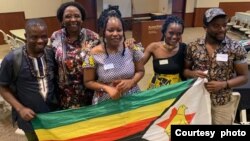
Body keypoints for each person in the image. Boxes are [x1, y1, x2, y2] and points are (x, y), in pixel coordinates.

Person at [183, 8, 248, 124]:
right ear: (205, 27)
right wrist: (192, 73)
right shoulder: (193, 46)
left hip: (222, 102)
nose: (222, 29)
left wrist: (224, 84)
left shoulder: (235, 48)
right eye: (216, 26)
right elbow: (185, 71)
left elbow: (244, 77)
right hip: (198, 100)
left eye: (224, 25)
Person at [0, 19, 58, 141]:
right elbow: (2, 87)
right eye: (34, 37)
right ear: (26, 37)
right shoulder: (12, 59)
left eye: (43, 36)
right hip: (30, 118)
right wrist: (20, 108)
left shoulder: (51, 53)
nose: (40, 41)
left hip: (53, 114)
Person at [83, 8, 145, 105]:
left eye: (119, 30)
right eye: (110, 30)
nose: (115, 34)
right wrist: (107, 88)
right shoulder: (93, 54)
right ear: (103, 31)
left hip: (132, 98)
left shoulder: (132, 48)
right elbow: (88, 81)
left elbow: (141, 71)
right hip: (106, 100)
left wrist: (131, 82)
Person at [50, 1, 100, 109]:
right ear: (62, 20)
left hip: (89, 92)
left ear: (82, 19)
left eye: (77, 16)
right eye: (68, 16)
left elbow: (104, 57)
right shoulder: (56, 37)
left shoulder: (93, 37)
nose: (73, 19)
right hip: (64, 94)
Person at [141, 15, 186, 89]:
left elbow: (187, 70)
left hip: (176, 89)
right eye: (171, 33)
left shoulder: (183, 48)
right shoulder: (153, 47)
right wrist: (130, 50)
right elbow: (138, 65)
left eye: (178, 34)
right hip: (157, 89)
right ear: (164, 32)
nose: (175, 37)